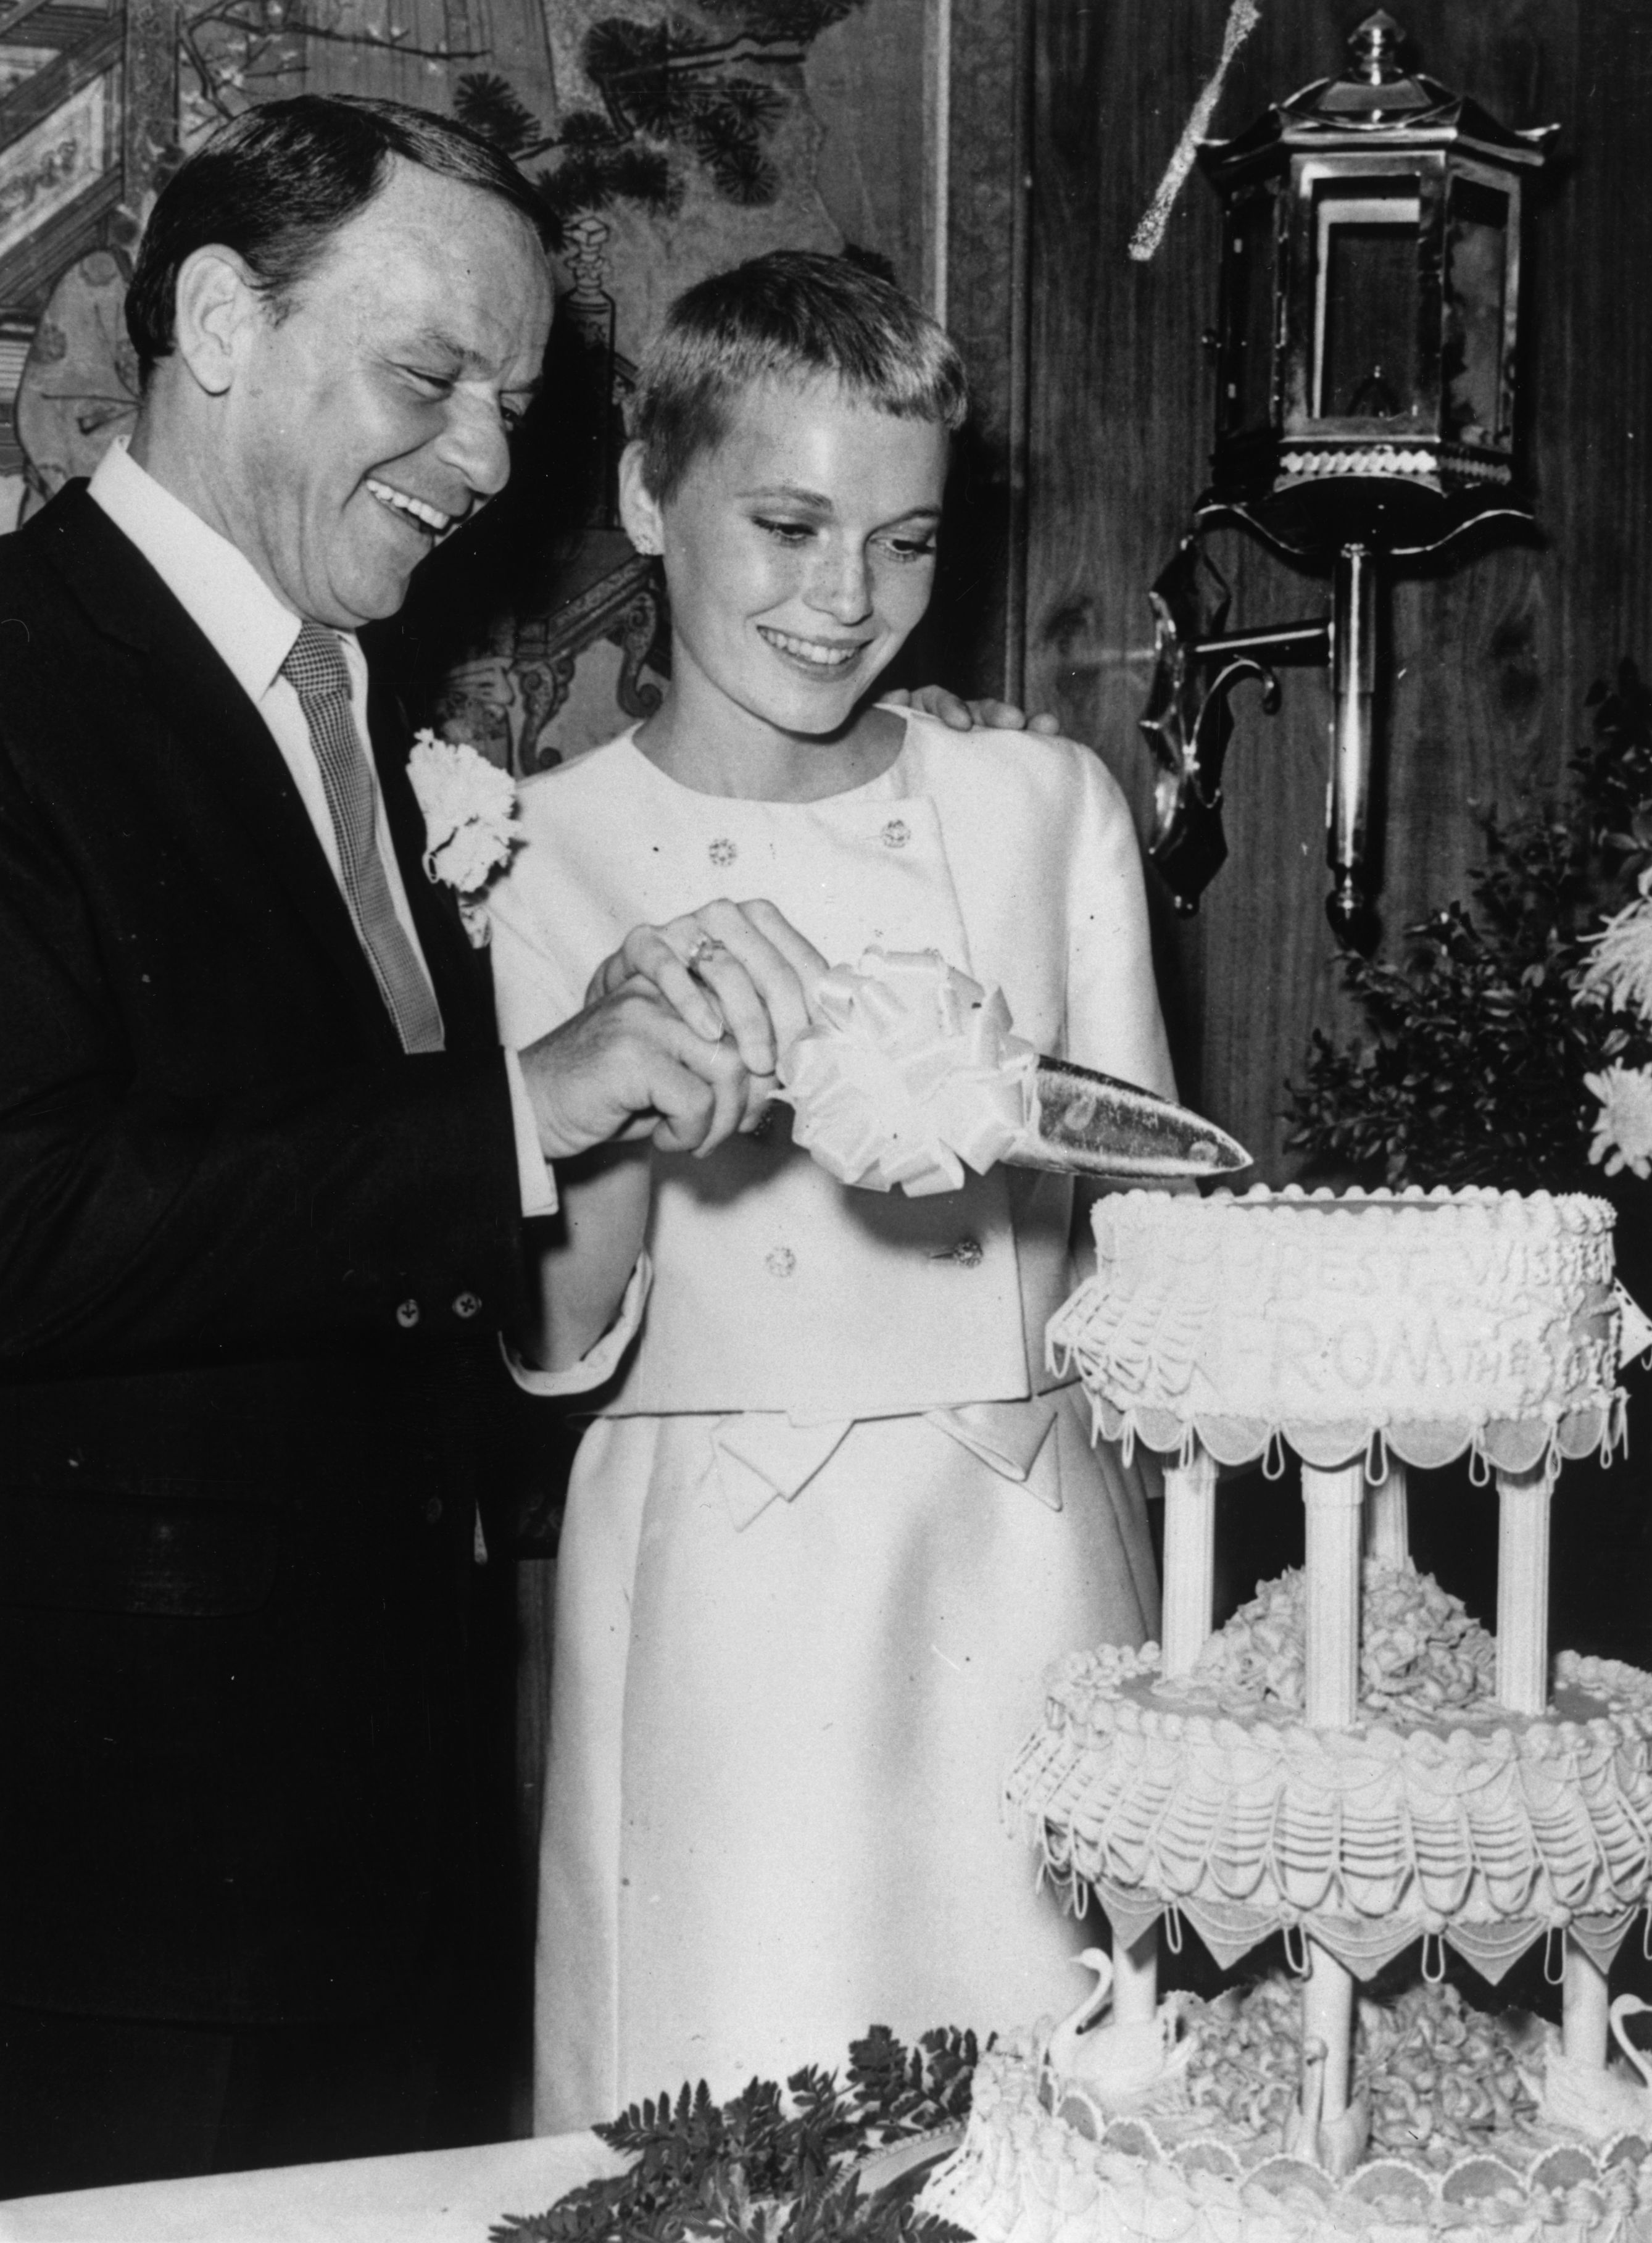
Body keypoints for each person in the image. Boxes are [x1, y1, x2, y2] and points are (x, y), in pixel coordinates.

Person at [0, 97, 828, 2197]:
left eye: (519, 405)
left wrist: (591, 1139)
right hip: (121, 1905)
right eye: (428, 379)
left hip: (388, 1848)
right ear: (210, 319)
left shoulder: (359, 697)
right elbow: (29, 1219)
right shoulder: (23, 673)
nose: (482, 462)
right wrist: (522, 1102)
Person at [482, 251, 1175, 2132]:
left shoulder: (1042, 807)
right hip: (719, 1578)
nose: (844, 600)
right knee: (727, 2102)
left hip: (1022, 1553)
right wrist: (632, 1091)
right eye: (786, 525)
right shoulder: (539, 855)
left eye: (905, 541)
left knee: (1051, 2120)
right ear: (649, 494)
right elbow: (558, 1341)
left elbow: (1156, 1259)